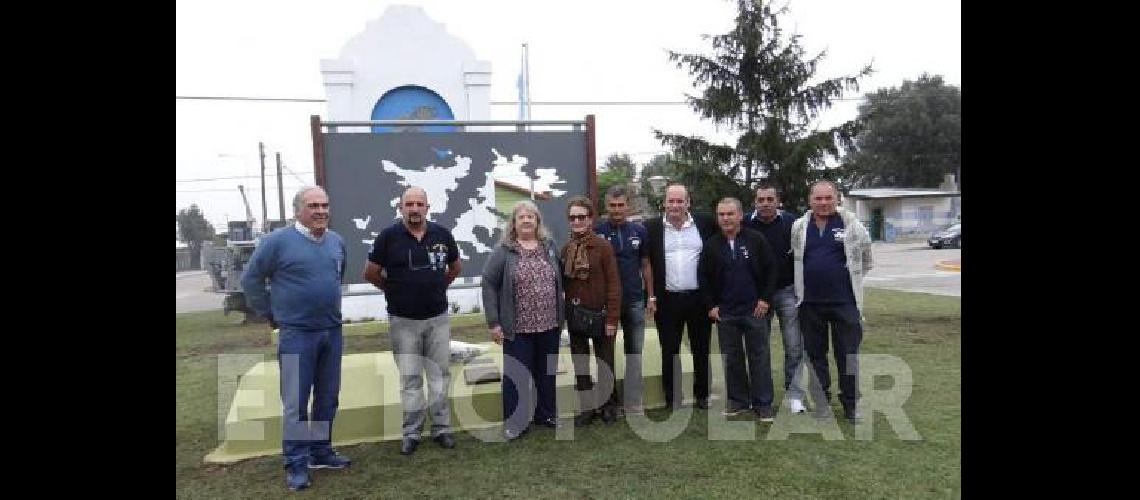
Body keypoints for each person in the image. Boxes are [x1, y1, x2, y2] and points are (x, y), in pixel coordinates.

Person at [241, 186, 351, 492]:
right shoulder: (276, 242)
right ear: (298, 210)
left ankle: (320, 452)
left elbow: (336, 276)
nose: (320, 211)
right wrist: (270, 312)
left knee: (328, 397)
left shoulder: (336, 242)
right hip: (296, 334)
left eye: (324, 205)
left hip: (331, 330)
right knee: (295, 401)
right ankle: (296, 463)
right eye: (313, 205)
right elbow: (250, 279)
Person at [363, 186, 461, 456]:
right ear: (400, 207)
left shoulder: (442, 235)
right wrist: (393, 290)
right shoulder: (388, 237)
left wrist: (439, 286)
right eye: (409, 204)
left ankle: (442, 429)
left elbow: (455, 267)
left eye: (420, 204)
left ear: (428, 207)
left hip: (437, 318)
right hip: (403, 320)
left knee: (439, 376)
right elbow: (370, 272)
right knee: (410, 379)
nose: (415, 209)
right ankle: (412, 433)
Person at [481, 200, 565, 440]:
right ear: (514, 224)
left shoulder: (548, 246)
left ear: (538, 222)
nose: (527, 220)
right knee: (516, 375)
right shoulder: (504, 250)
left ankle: (546, 414)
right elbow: (488, 283)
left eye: (531, 216)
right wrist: (494, 322)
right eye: (521, 217)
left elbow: (558, 277)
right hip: (517, 327)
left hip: (549, 323)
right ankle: (515, 423)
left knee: (546, 373)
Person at [790, 180, 874, 422]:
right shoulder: (799, 226)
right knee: (815, 356)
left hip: (844, 303)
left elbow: (866, 259)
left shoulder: (851, 224)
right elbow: (796, 258)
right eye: (818, 198)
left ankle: (851, 405)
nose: (824, 203)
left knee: (848, 355)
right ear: (810, 200)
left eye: (828, 198)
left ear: (837, 199)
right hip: (810, 304)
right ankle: (822, 404)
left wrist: (852, 280)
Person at [699, 197, 777, 421]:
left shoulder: (756, 240)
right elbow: (703, 277)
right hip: (726, 314)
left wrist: (765, 299)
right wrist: (711, 306)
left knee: (759, 357)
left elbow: (771, 270)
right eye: (721, 214)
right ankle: (738, 401)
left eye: (730, 214)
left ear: (740, 215)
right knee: (732, 359)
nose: (726, 218)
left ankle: (763, 404)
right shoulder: (712, 245)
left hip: (755, 311)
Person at [643, 183, 717, 409]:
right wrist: (651, 297)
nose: (675, 205)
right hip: (667, 300)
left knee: (701, 349)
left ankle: (702, 396)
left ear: (688, 203)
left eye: (680, 201)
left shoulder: (705, 224)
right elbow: (647, 264)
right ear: (664, 203)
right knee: (670, 350)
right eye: (671, 201)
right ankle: (672, 398)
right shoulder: (651, 227)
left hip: (698, 298)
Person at [742, 182, 807, 414]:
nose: (765, 204)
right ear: (754, 202)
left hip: (787, 291)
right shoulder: (745, 223)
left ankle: (795, 395)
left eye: (770, 199)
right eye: (761, 200)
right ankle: (759, 396)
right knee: (758, 347)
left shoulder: (792, 223)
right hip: (758, 297)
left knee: (793, 345)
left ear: (778, 201)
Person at [593, 185, 654, 415]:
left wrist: (651, 296)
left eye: (621, 205)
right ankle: (609, 402)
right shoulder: (596, 231)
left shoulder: (639, 231)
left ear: (628, 206)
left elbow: (646, 265)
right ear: (606, 206)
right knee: (605, 354)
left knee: (634, 352)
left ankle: (633, 401)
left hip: (634, 301)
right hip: (606, 304)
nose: (617, 210)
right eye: (612, 205)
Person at [562, 195, 621, 426]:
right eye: (573, 217)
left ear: (590, 219)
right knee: (580, 363)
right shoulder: (566, 249)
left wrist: (612, 318)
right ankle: (587, 409)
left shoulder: (602, 247)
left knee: (605, 362)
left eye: (581, 217)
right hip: (576, 314)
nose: (577, 221)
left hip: (601, 314)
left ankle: (609, 406)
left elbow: (614, 284)